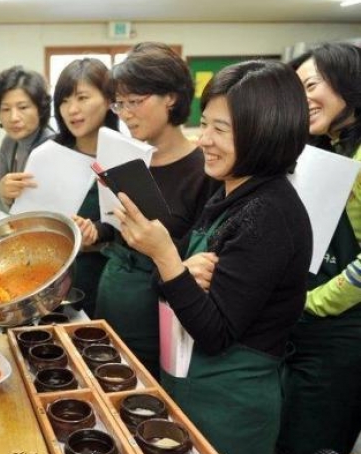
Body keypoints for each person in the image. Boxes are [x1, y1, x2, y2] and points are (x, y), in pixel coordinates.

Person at [114, 60, 311, 454]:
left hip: (231, 408)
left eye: (220, 129)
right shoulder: (227, 193)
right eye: (204, 124)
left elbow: (215, 334)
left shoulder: (270, 213)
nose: (203, 139)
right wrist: (177, 270)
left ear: (265, 133)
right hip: (190, 390)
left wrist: (168, 259)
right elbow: (169, 286)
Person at [93, 42, 215, 379]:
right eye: (120, 103)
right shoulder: (125, 158)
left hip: (161, 310)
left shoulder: (204, 170)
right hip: (113, 297)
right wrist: (99, 229)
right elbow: (116, 227)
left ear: (171, 98)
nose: (125, 113)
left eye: (135, 101)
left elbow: (201, 258)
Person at [278, 42, 361, 454]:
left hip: (343, 332)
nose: (304, 99)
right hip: (307, 327)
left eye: (312, 84)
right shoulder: (325, 147)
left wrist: (313, 303)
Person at [53, 58, 119, 317]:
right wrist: (8, 192)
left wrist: (97, 232)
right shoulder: (50, 153)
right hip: (51, 275)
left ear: (108, 100)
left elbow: (124, 225)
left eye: (82, 97)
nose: (72, 109)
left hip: (101, 278)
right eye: (65, 100)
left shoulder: (124, 155)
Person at [0, 65, 54, 212]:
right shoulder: (9, 141)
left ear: (40, 109)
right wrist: (2, 192)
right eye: (5, 109)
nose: (13, 118)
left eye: (23, 107)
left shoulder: (53, 146)